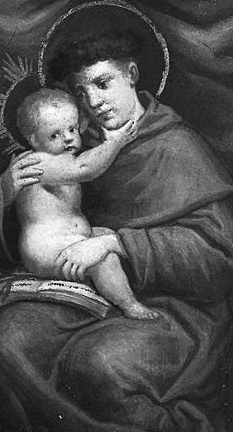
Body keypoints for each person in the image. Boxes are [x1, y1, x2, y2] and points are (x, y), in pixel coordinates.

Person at [0, 2, 233, 432]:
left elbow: (222, 255)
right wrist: (8, 189)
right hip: (89, 297)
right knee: (7, 338)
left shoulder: (174, 145)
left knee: (96, 363)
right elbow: (28, 223)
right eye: (81, 93)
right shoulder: (72, 146)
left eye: (102, 84)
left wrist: (118, 243)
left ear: (132, 75)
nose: (93, 102)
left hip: (176, 311)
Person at [12, 88, 157, 320]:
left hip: (66, 240)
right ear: (33, 139)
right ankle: (129, 304)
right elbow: (84, 168)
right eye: (55, 135)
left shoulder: (60, 158)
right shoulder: (38, 163)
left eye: (72, 129)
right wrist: (116, 142)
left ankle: (115, 288)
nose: (68, 138)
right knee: (104, 257)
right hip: (47, 249)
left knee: (107, 236)